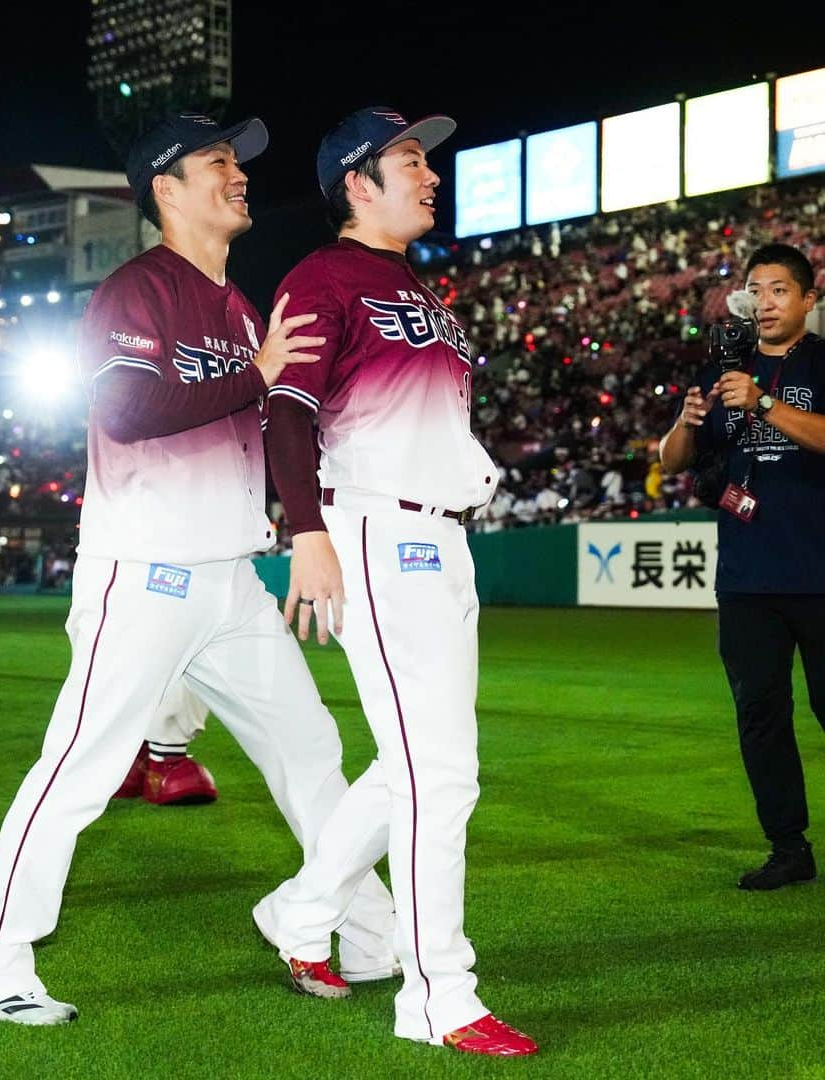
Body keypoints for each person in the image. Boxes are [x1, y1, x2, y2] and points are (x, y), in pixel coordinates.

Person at [0, 111, 397, 1026]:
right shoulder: (135, 288)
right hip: (142, 571)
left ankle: (369, 932)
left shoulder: (238, 305)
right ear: (166, 188)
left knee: (310, 752)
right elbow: (125, 408)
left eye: (237, 163)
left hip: (232, 578)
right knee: (77, 767)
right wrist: (259, 373)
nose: (239, 176)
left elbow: (266, 411)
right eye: (218, 162)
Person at [254, 106, 538, 1056]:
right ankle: (438, 994)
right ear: (355, 182)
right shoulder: (319, 278)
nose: (431, 175)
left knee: (407, 765)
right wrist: (307, 531)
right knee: (442, 777)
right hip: (376, 532)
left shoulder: (425, 294)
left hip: (441, 537)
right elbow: (284, 415)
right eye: (410, 161)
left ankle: (300, 915)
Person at [659, 241, 824, 891]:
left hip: (819, 572)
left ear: (809, 299)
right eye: (757, 289)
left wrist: (760, 403)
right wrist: (686, 421)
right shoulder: (721, 371)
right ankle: (789, 847)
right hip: (748, 579)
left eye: (781, 288)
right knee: (760, 713)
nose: (767, 301)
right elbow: (674, 462)